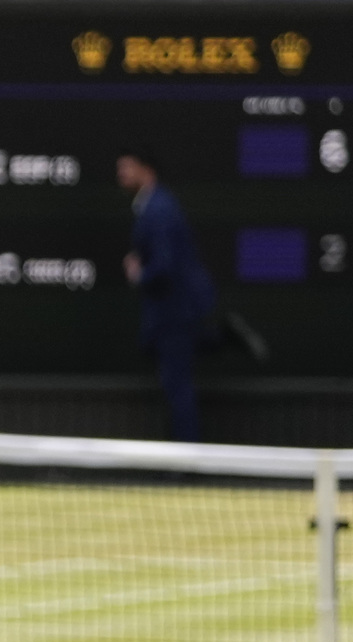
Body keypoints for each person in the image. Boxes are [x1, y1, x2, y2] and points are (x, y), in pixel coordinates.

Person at [117, 148, 211, 442]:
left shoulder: (159, 209)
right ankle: (218, 338)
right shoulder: (152, 205)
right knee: (173, 379)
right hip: (172, 313)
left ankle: (185, 463)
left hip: (174, 313)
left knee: (178, 387)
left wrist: (138, 273)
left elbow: (165, 265)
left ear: (146, 170)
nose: (121, 175)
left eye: (127, 168)